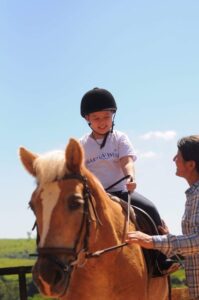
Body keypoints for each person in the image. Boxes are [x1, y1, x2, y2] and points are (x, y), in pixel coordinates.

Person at [79, 87, 179, 276]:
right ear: (87, 119)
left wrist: (130, 177)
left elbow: (127, 161)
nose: (102, 122)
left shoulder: (119, 138)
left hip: (120, 191)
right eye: (97, 118)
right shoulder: (82, 144)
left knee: (150, 209)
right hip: (95, 197)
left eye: (106, 117)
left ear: (113, 116)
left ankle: (160, 260)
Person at [126, 135, 199, 300]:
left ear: (191, 164)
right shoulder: (193, 195)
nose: (173, 159)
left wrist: (151, 241)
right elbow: (193, 251)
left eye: (178, 156)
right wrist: (168, 239)